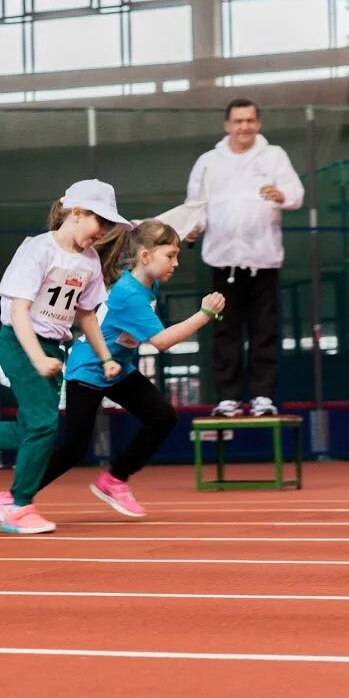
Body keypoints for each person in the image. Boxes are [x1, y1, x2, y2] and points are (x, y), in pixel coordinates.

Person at [0, 179, 129, 535]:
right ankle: (17, 506)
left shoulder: (90, 261)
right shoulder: (38, 250)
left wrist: (105, 356)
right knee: (44, 426)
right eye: (101, 221)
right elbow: (19, 311)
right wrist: (35, 358)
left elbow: (85, 314)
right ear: (77, 213)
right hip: (20, 344)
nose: (105, 231)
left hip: (52, 348)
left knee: (30, 428)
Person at [34, 220, 225, 517]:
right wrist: (204, 315)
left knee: (162, 417)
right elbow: (161, 342)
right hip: (88, 369)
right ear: (145, 257)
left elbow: (146, 238)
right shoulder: (129, 294)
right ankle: (18, 495)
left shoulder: (149, 282)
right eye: (170, 256)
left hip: (118, 368)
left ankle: (114, 479)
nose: (175, 263)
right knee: (73, 448)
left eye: (177, 256)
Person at [188, 98, 303, 418]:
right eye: (238, 121)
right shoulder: (209, 161)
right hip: (222, 260)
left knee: (264, 330)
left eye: (250, 121)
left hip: (263, 259)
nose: (244, 127)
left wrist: (282, 196)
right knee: (225, 331)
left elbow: (296, 194)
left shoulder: (274, 156)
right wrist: (192, 229)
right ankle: (228, 399)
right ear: (227, 125)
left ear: (258, 123)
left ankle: (263, 397)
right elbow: (196, 206)